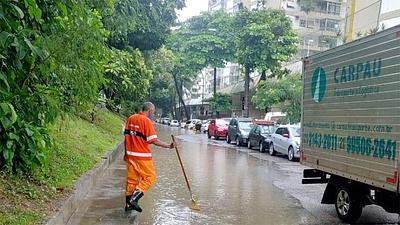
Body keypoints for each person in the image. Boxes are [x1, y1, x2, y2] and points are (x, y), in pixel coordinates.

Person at [123, 102, 175, 212]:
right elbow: (153, 141)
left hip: (130, 155)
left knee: (132, 180)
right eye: (153, 112)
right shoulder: (146, 121)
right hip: (142, 156)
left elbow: (126, 136)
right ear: (150, 111)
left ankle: (128, 205)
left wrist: (125, 152)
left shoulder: (130, 118)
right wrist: (168, 146)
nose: (153, 114)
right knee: (150, 177)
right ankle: (134, 199)